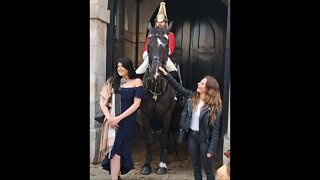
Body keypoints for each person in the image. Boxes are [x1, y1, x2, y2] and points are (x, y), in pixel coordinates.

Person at [159, 66, 222, 180]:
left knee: (208, 169)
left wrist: (212, 149)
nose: (199, 83)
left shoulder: (214, 107)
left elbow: (216, 130)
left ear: (208, 88)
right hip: (193, 138)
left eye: (202, 83)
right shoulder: (193, 97)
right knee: (196, 167)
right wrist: (166, 74)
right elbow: (179, 88)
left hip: (205, 141)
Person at [99, 57, 144, 180]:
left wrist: (118, 118)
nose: (119, 68)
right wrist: (110, 119)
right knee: (115, 149)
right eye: (118, 66)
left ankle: (116, 175)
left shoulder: (137, 82)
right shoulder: (112, 81)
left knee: (118, 147)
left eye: (122, 66)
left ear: (128, 67)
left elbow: (136, 104)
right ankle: (115, 177)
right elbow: (102, 102)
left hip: (127, 121)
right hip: (112, 120)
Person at [136, 2, 181, 84]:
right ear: (155, 23)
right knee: (138, 72)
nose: (159, 23)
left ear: (165, 23)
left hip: (164, 57)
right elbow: (147, 47)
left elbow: (171, 48)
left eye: (162, 21)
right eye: (158, 22)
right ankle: (137, 87)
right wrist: (149, 55)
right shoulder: (151, 34)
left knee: (174, 72)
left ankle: (178, 93)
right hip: (151, 56)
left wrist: (162, 54)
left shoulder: (170, 35)